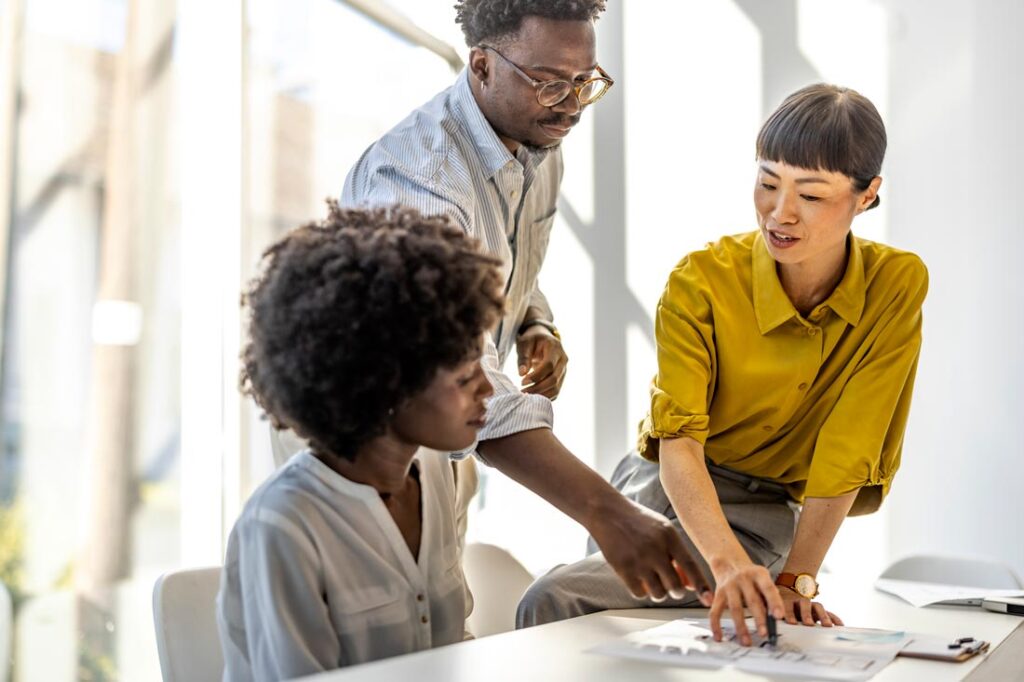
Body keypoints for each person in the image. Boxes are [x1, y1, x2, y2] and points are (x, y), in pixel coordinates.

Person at [517, 84, 929, 647]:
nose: (780, 213)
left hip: (757, 514)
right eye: (767, 183)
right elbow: (679, 442)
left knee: (557, 597)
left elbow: (849, 445)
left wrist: (796, 580)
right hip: (657, 488)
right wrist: (728, 565)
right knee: (577, 612)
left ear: (867, 195)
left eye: (811, 195)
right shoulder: (701, 280)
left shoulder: (895, 285)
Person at [332, 0, 710, 603]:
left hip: (446, 439)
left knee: (441, 619)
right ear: (482, 65)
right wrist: (608, 513)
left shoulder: (536, 141)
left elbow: (505, 264)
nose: (572, 106)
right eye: (550, 83)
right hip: (367, 453)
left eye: (584, 82)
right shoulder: (418, 180)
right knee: (384, 632)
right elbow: (451, 371)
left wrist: (535, 323)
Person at [217, 203, 505, 680]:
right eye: (464, 378)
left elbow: (452, 647)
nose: (488, 389)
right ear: (388, 385)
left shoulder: (438, 472)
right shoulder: (283, 525)